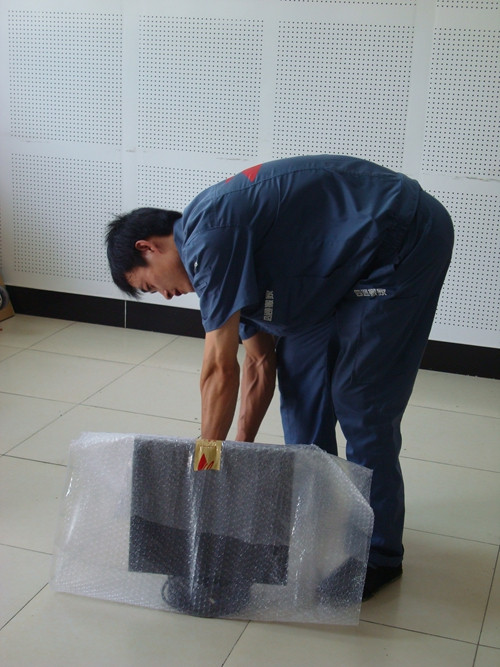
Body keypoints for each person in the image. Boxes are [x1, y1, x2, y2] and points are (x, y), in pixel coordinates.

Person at [106, 155, 454, 600]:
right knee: (302, 399)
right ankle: (323, 514)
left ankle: (381, 553)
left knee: (359, 399)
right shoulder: (224, 262)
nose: (166, 295)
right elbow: (258, 365)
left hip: (400, 237)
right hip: (326, 278)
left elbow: (219, 367)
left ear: (148, 247)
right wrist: (239, 451)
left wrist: (207, 463)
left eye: (150, 285)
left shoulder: (209, 238)